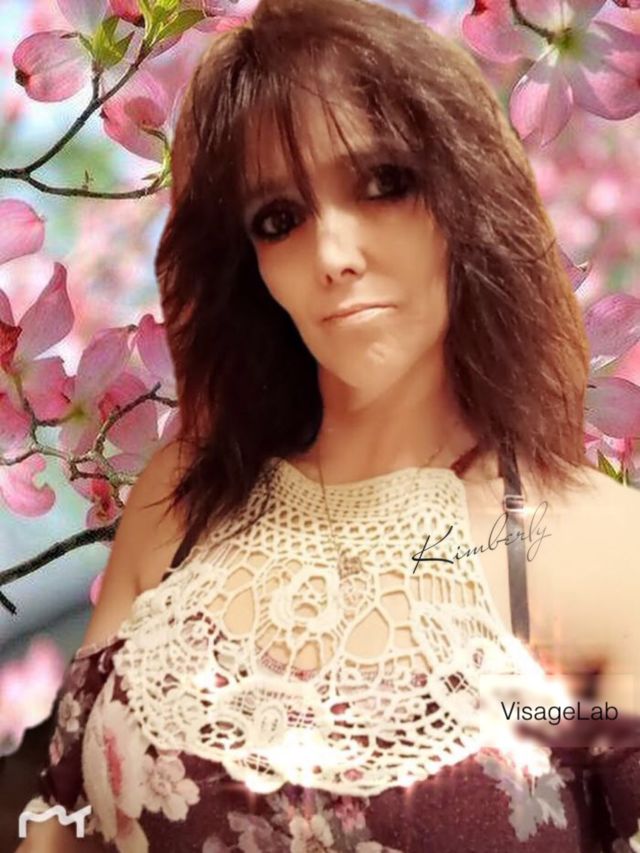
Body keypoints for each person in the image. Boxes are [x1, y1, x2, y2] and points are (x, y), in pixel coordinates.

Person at [17, 0, 640, 850]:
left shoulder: (605, 551)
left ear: (467, 195)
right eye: (280, 219)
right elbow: (59, 825)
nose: (333, 256)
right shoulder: (180, 501)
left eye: (383, 184)